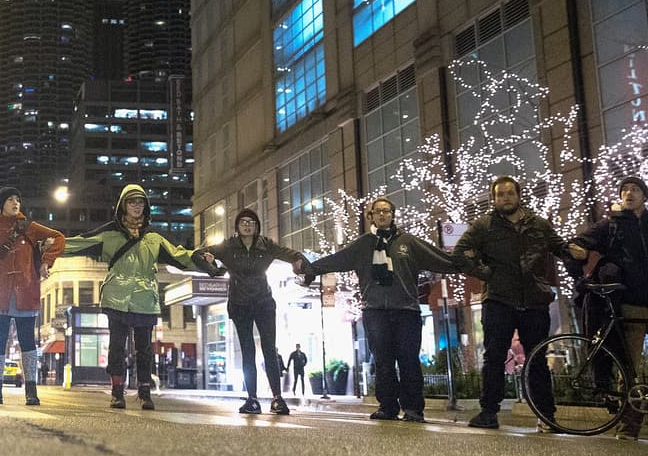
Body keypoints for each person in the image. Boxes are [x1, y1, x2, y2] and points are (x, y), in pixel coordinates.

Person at [303, 197, 471, 423]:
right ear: (370, 216)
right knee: (382, 361)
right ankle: (387, 407)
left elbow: (439, 258)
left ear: (393, 215)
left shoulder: (408, 243)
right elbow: (337, 260)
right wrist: (309, 268)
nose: (382, 215)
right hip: (375, 311)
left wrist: (466, 263)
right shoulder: (363, 245)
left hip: (406, 311)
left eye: (387, 211)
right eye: (378, 211)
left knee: (409, 360)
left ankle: (413, 409)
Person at [453, 175, 587, 431]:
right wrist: (486, 274)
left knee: (537, 360)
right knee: (494, 358)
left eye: (509, 193)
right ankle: (489, 413)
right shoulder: (484, 225)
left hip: (535, 301)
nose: (505, 198)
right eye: (500, 194)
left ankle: (547, 416)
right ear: (494, 199)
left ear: (518, 195)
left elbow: (559, 246)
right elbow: (460, 253)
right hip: (499, 301)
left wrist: (574, 251)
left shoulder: (538, 224)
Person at [62, 184, 212, 411]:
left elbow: (180, 256)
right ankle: (117, 392)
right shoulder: (109, 233)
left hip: (144, 298)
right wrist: (50, 245)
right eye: (131, 201)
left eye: (140, 202)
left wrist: (204, 260)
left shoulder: (154, 237)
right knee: (116, 347)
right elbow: (79, 243)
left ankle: (144, 392)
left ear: (146, 207)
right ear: (123, 205)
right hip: (117, 297)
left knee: (144, 349)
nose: (136, 206)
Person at [200, 208, 306, 415]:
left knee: (269, 350)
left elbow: (290, 254)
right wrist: (214, 267)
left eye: (251, 222)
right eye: (243, 222)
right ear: (237, 226)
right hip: (240, 304)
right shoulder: (228, 246)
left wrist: (301, 264)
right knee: (247, 351)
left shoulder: (266, 245)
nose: (247, 225)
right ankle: (252, 399)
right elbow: (199, 255)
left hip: (264, 302)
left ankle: (277, 398)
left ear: (257, 226)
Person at [0, 186, 65, 406]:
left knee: (27, 341)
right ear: (1, 203)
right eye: (10, 200)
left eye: (17, 200)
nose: (15, 203)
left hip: (25, 289)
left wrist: (46, 261)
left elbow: (58, 237)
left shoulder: (29, 227)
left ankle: (31, 389)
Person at [574, 175, 648, 441]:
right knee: (631, 368)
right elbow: (579, 242)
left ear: (644, 195)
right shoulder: (612, 225)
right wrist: (577, 252)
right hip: (632, 303)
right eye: (625, 189)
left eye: (635, 189)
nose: (629, 193)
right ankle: (629, 426)